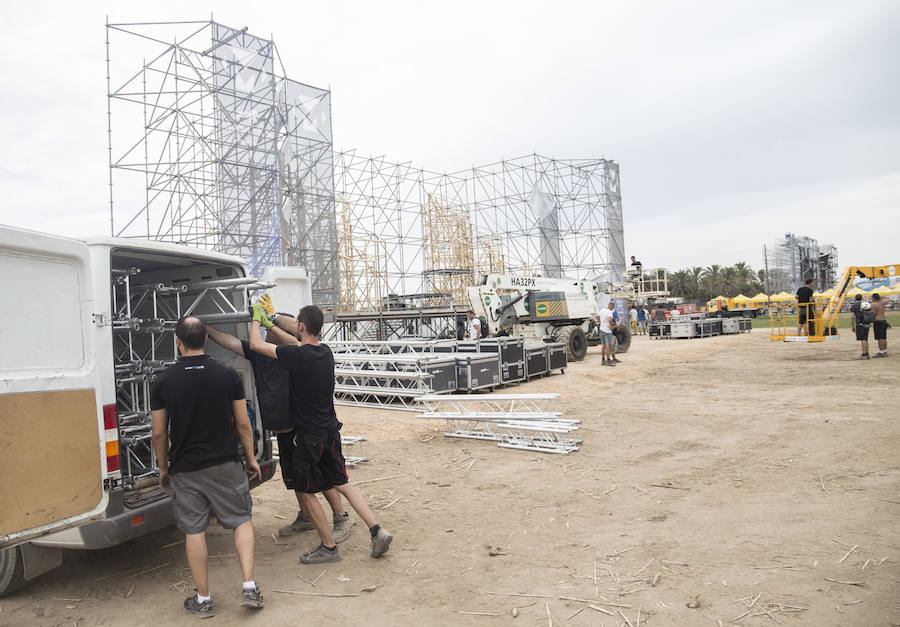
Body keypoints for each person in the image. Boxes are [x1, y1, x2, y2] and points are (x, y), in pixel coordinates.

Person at [249, 305, 393, 564]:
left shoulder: (297, 356)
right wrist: (271, 323)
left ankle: (328, 548)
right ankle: (376, 529)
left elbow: (256, 345)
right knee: (342, 482)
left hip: (308, 435)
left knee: (305, 490)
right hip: (329, 431)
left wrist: (255, 320)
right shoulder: (324, 352)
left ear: (302, 327)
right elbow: (294, 341)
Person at [205, 306, 352, 543]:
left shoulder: (296, 355)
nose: (266, 332)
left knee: (324, 478)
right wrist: (208, 330)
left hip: (302, 429)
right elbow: (232, 343)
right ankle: (306, 517)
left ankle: (341, 517)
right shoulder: (261, 354)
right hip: (282, 430)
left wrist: (270, 320)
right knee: (297, 479)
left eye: (271, 329)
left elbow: (298, 337)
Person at [150, 317, 263, 618]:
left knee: (194, 528)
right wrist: (250, 458)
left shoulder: (163, 381)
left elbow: (159, 433)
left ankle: (203, 600)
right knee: (241, 519)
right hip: (225, 462)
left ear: (178, 341)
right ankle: (249, 586)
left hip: (185, 468)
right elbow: (242, 423)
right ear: (205, 339)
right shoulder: (227, 375)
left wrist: (163, 469)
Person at [594, 301, 617, 367]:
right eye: (612, 308)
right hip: (607, 330)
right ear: (611, 306)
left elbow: (597, 317)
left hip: (601, 329)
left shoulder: (602, 310)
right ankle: (608, 360)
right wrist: (611, 326)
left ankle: (603, 359)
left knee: (603, 345)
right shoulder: (609, 312)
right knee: (608, 345)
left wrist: (601, 322)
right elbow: (610, 319)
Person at [870, 293, 889, 357]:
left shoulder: (873, 305)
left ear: (873, 298)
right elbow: (888, 299)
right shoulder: (882, 303)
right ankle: (885, 351)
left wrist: (870, 320)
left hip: (878, 321)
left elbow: (873, 314)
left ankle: (881, 352)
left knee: (879, 337)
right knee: (884, 337)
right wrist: (883, 296)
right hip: (884, 320)